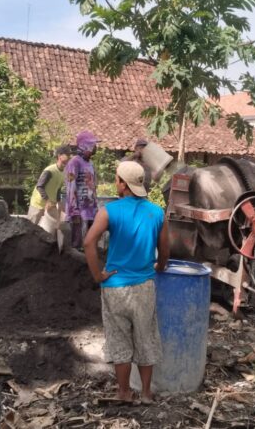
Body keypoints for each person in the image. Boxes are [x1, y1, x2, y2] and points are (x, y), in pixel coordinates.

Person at [83, 161, 169, 403]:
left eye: (117, 179)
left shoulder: (109, 211)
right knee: (145, 337)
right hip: (144, 287)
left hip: (115, 287)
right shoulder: (157, 213)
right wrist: (160, 267)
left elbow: (88, 242)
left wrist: (98, 275)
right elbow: (165, 251)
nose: (116, 182)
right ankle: (146, 393)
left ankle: (123, 392)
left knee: (119, 339)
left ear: (122, 184)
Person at [65, 131, 99, 250]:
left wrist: (95, 206)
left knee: (89, 244)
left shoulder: (90, 163)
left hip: (90, 210)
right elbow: (70, 186)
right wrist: (74, 211)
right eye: (92, 145)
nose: (94, 148)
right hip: (79, 211)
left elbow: (93, 187)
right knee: (77, 246)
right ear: (84, 146)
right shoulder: (74, 162)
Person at [27, 145, 72, 226]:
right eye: (67, 155)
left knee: (56, 225)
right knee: (30, 228)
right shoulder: (50, 170)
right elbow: (40, 186)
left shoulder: (63, 172)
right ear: (59, 156)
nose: (69, 157)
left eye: (69, 155)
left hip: (51, 205)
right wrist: (47, 201)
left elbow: (58, 189)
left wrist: (59, 202)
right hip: (38, 204)